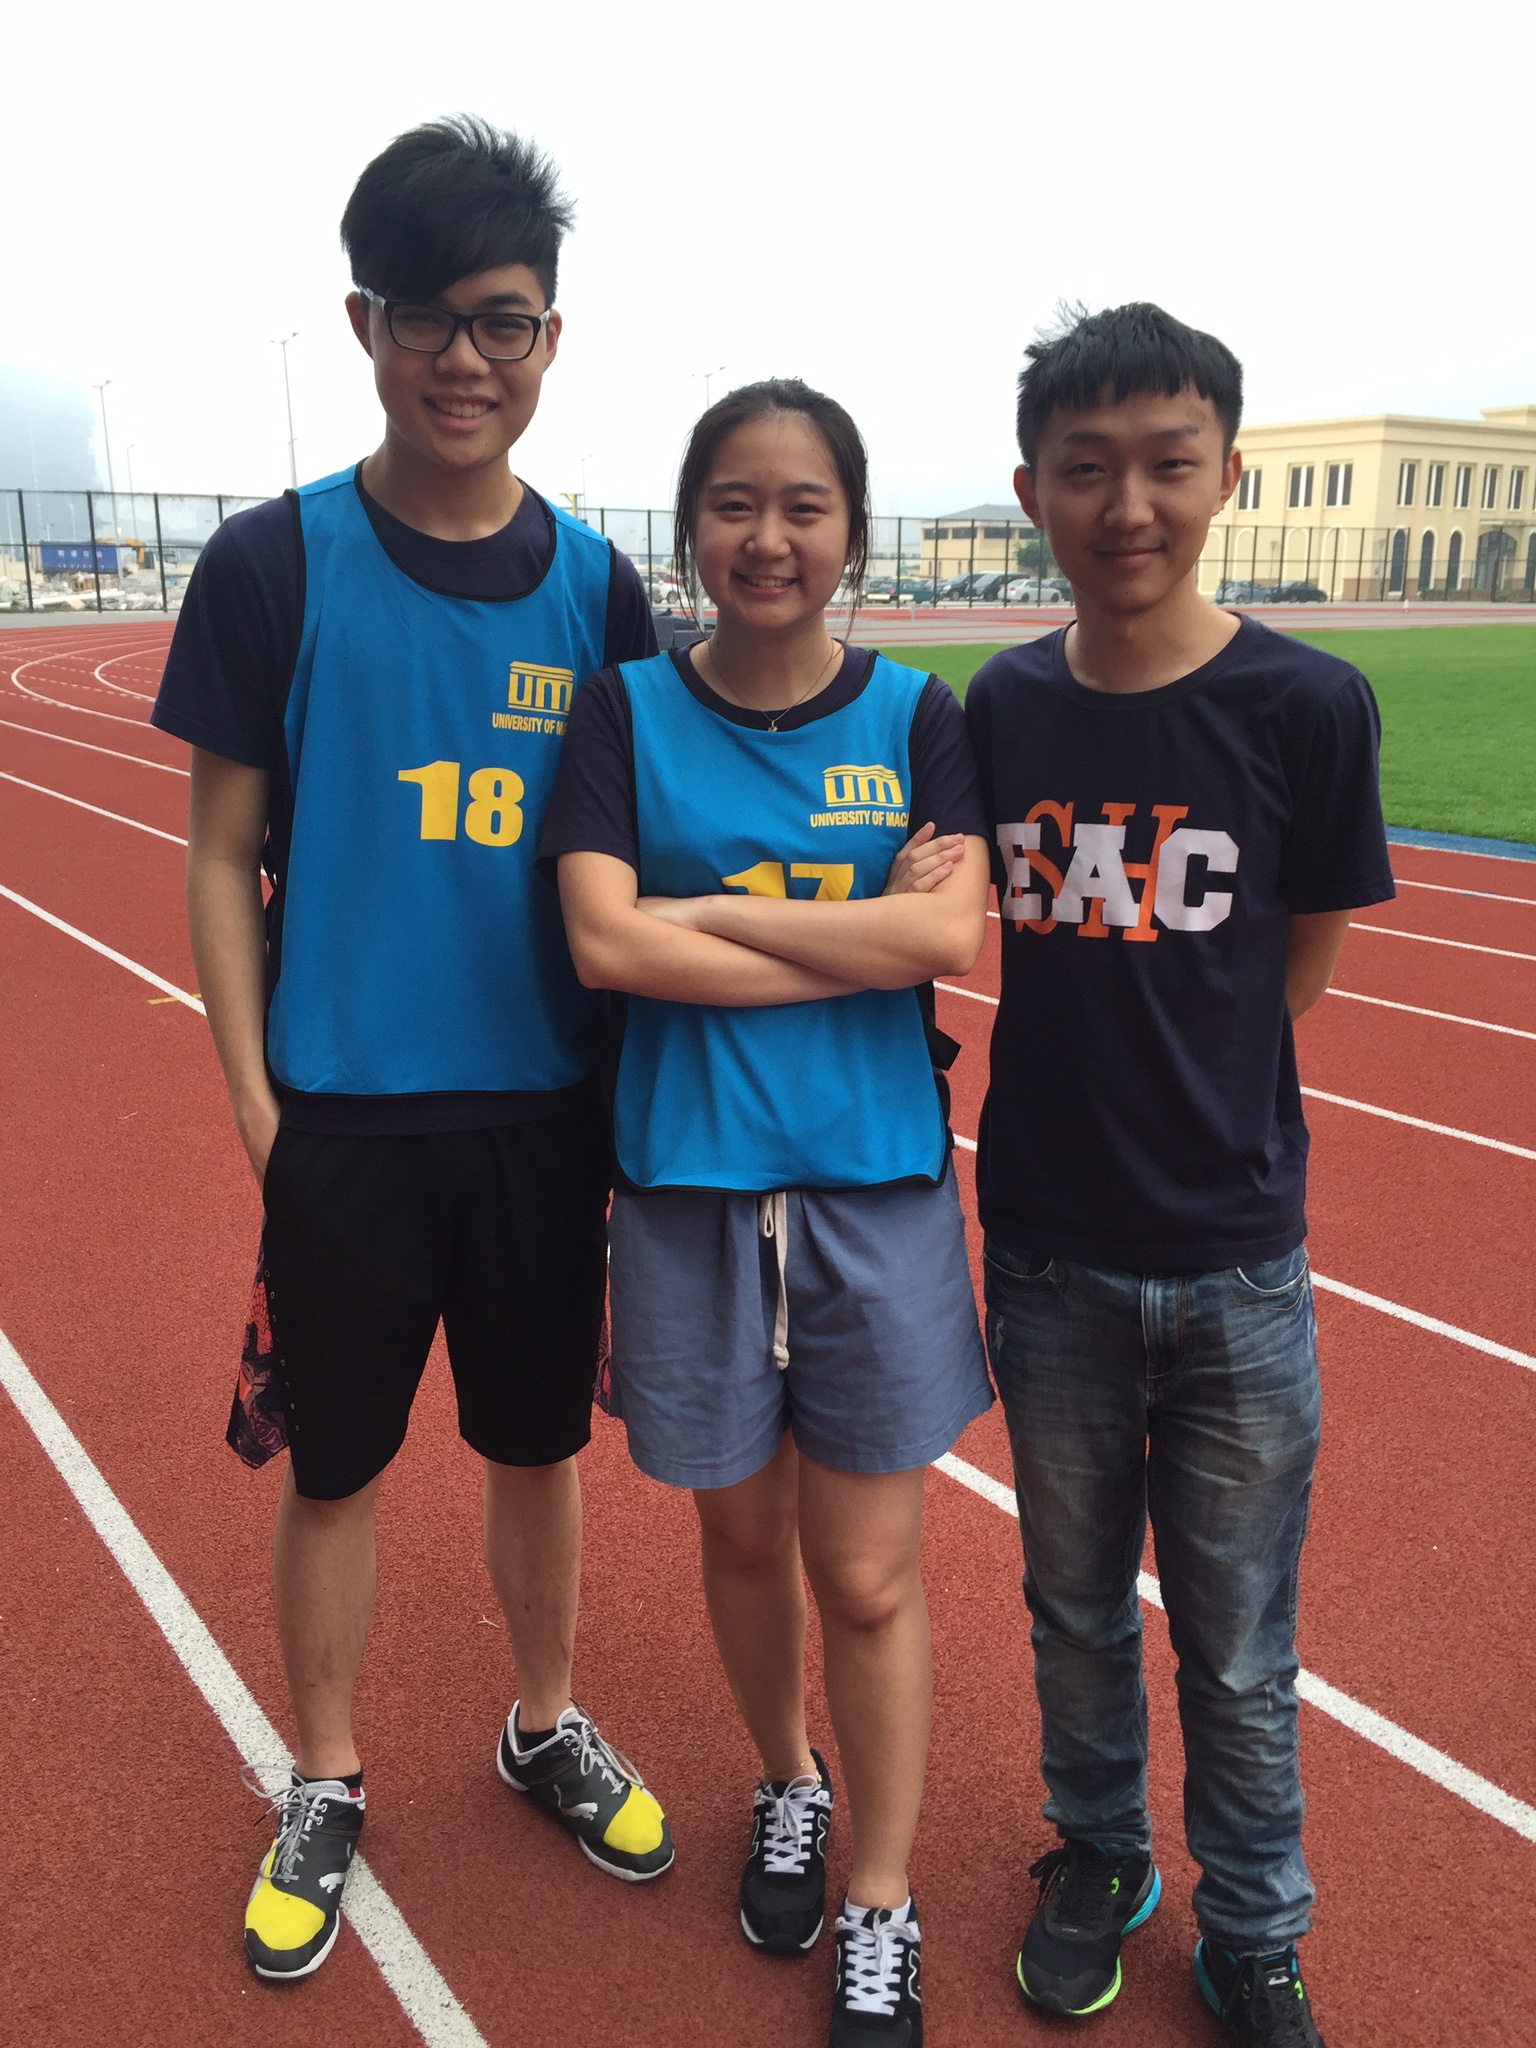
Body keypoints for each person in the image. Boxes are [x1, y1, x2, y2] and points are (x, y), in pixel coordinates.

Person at [152, 115, 673, 1986]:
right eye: (428, 317)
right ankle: (324, 1770)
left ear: (552, 339)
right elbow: (219, 851)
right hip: (348, 1125)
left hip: (542, 1116)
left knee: (539, 1447)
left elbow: (655, 846)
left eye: (503, 320)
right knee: (337, 1468)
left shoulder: (598, 591)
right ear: (365, 321)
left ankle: (544, 1720)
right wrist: (256, 1103)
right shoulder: (272, 565)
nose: (467, 358)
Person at [541, 378, 994, 2047]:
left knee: (865, 1576)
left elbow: (944, 943)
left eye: (805, 506)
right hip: (688, 1191)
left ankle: (880, 1893)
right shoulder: (624, 714)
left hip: (876, 1195)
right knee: (739, 1537)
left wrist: (707, 913)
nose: (769, 537)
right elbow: (605, 945)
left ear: (851, 534)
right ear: (691, 529)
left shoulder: (921, 718)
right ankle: (788, 1779)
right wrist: (842, 934)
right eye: (735, 503)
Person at [963, 303, 1395, 2046]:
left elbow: (1295, 967)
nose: (1127, 504)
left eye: (1166, 464)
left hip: (1235, 1256)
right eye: (1087, 469)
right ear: (1032, 492)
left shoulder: (1308, 705)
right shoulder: (1001, 708)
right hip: (1049, 1250)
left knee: (1237, 1636)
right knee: (1071, 1604)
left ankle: (1258, 1927)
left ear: (1225, 473)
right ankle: (1099, 1853)